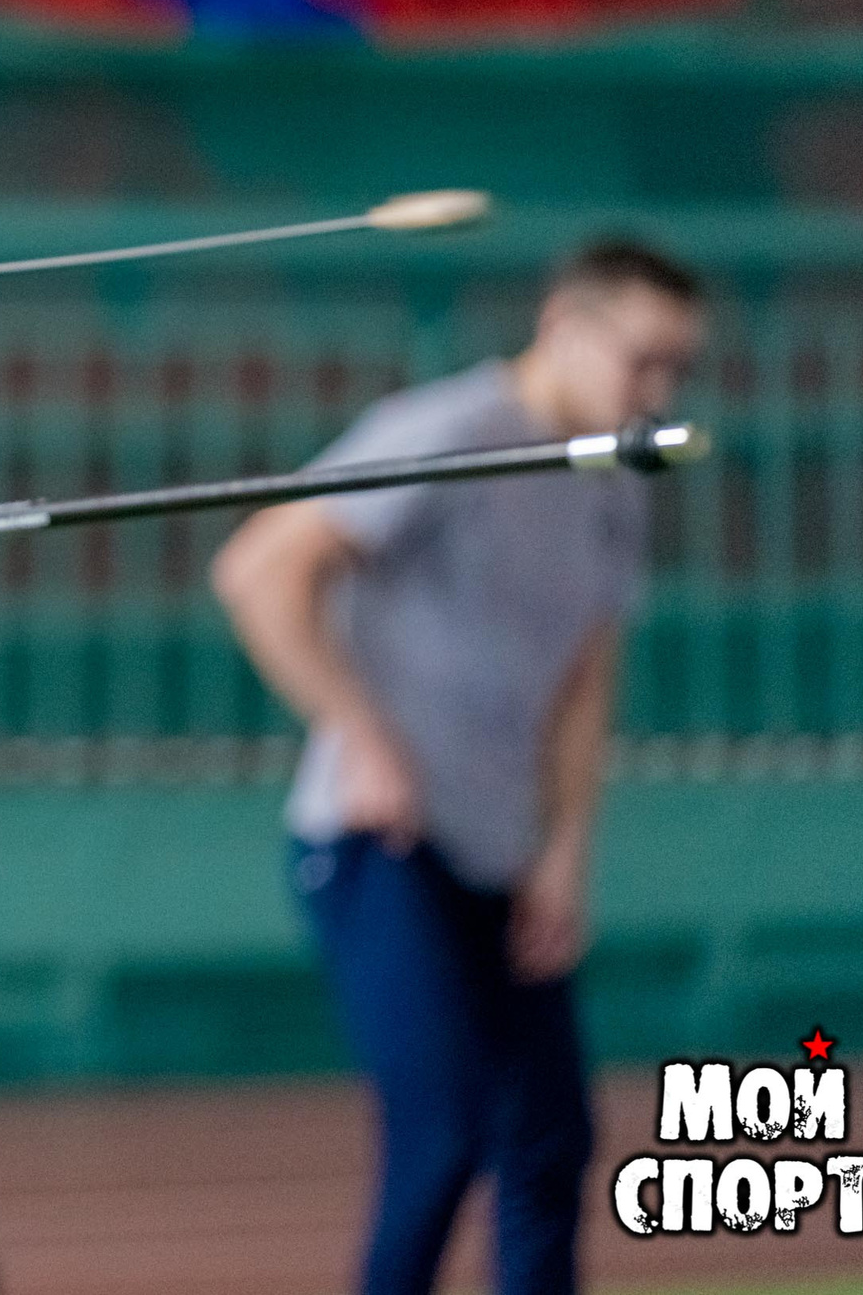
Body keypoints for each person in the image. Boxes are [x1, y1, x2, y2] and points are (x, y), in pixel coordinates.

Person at [210, 240, 704, 1295]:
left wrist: (565, 849)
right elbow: (259, 568)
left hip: (503, 849)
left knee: (551, 1139)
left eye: (679, 367)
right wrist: (362, 732)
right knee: (440, 1133)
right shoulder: (450, 433)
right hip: (380, 841)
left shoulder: (612, 478)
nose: (658, 389)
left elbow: (584, 681)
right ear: (565, 326)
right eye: (644, 359)